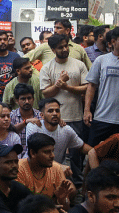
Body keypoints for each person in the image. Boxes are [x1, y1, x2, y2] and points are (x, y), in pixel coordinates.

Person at [40, 34, 90, 185]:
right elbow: (45, 92)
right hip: (54, 119)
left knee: (76, 154)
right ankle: (53, 180)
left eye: (66, 46)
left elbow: (86, 88)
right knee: (54, 153)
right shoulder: (47, 67)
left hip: (75, 117)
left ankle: (77, 182)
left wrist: (67, 87)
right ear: (53, 49)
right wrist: (58, 84)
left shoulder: (78, 65)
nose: (64, 49)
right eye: (60, 47)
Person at [26, 98, 92, 181]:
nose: (55, 113)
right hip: (33, 170)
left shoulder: (66, 129)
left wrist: (97, 151)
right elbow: (35, 155)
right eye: (50, 111)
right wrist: (58, 166)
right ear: (42, 115)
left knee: (72, 190)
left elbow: (82, 147)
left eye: (57, 111)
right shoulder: (34, 127)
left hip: (55, 172)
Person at [16, 133, 74, 206]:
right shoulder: (18, 168)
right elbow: (20, 207)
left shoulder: (56, 168)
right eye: (46, 152)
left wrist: (61, 199)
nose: (52, 156)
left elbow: (65, 207)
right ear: (33, 153)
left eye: (52, 151)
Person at [25, 20, 92, 68]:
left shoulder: (79, 49)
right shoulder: (45, 46)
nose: (55, 30)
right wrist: (36, 74)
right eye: (54, 27)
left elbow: (91, 70)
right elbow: (23, 60)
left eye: (58, 28)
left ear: (67, 31)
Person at [9, 83, 42, 154]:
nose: (27, 101)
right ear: (16, 100)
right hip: (16, 155)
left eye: (29, 98)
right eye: (23, 99)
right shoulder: (11, 115)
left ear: (33, 99)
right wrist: (25, 122)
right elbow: (10, 131)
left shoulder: (40, 115)